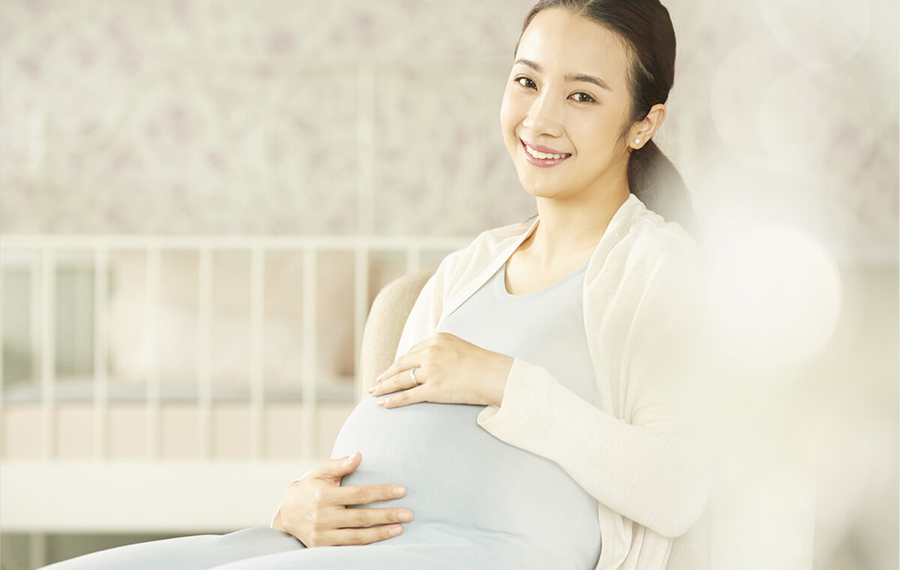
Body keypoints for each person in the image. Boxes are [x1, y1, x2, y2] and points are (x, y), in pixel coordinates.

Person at [41, 1, 708, 569]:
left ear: (643, 123)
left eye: (582, 95)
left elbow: (678, 491)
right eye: (527, 82)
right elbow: (386, 441)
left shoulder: (656, 269)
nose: (540, 118)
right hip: (331, 548)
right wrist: (302, 500)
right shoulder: (467, 268)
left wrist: (503, 380)